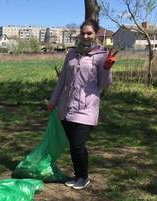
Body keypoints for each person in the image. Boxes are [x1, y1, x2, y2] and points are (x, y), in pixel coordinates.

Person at [47, 19, 117, 190]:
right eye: (83, 33)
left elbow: (105, 84)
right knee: (73, 145)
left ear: (96, 34)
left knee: (78, 144)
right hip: (67, 106)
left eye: (89, 33)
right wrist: (53, 100)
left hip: (87, 107)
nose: (85, 36)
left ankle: (84, 177)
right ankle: (78, 175)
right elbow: (62, 80)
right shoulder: (71, 54)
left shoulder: (102, 55)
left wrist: (107, 69)